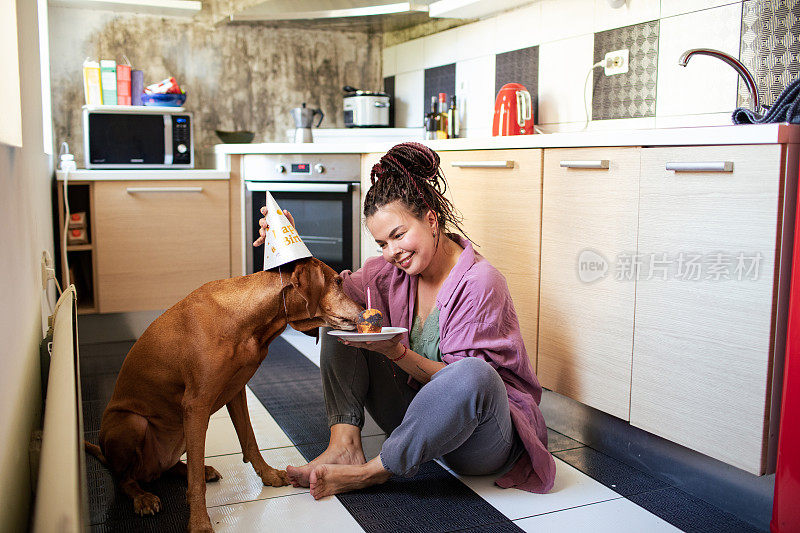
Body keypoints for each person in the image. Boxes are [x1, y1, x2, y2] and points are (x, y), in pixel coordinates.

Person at [253, 142, 556, 499]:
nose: (392, 252)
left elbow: (462, 388)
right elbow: (328, 296)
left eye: (398, 235)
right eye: (382, 242)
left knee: (475, 373)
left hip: (480, 438)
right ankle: (345, 447)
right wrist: (290, 249)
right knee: (347, 318)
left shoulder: (480, 283)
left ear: (431, 219)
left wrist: (395, 353)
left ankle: (372, 471)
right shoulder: (390, 271)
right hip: (416, 420)